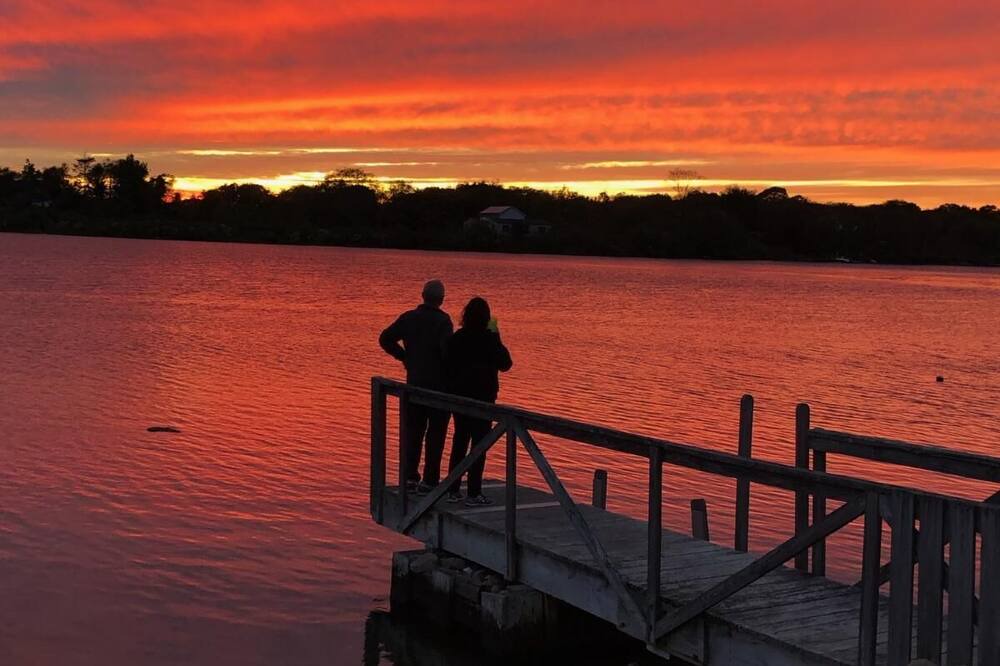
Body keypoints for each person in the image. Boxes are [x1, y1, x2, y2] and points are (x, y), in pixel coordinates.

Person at [379, 280, 453, 494]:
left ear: (422, 295)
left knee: (414, 432)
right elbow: (446, 352)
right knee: (436, 434)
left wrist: (405, 357)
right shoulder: (443, 321)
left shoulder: (408, 318)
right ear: (441, 299)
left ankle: (410, 477)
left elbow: (385, 339)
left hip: (414, 384)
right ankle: (429, 480)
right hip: (439, 387)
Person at [444, 297, 513, 506]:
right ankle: (473, 493)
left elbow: (447, 363)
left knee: (460, 440)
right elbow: (506, 364)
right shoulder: (490, 339)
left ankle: (453, 490)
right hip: (484, 398)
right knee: (479, 444)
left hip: (460, 397)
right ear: (487, 319)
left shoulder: (457, 338)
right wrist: (497, 337)